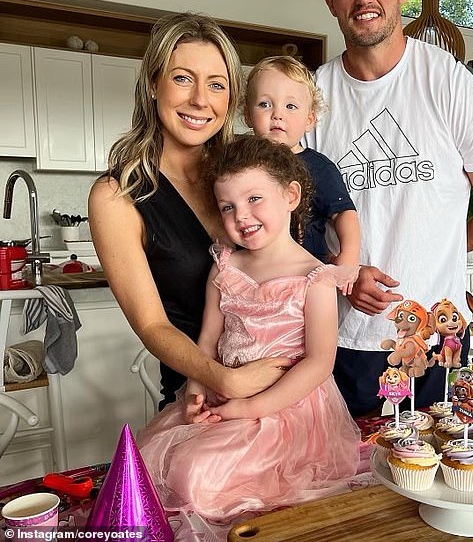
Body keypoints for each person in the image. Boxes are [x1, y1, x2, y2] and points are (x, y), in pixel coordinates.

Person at [305, 0, 473, 417]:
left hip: (437, 339)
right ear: (331, 0)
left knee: (434, 477)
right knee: (341, 486)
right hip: (334, 341)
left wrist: (440, 245)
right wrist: (341, 273)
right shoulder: (309, 100)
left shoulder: (451, 83)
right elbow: (283, 225)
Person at [137, 136, 360, 528]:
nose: (242, 216)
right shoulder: (224, 265)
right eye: (228, 206)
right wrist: (195, 391)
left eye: (254, 199)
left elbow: (320, 363)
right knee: (158, 464)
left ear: (290, 195)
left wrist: (252, 407)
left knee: (197, 477)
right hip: (222, 394)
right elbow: (207, 342)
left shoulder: (315, 277)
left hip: (286, 410)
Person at [88, 12, 291, 409]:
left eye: (216, 85)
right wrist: (226, 380)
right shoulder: (117, 196)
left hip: (288, 389)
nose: (200, 100)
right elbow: (152, 325)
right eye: (182, 78)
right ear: (152, 84)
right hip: (200, 402)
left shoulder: (246, 173)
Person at [243, 55, 360, 293]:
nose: (277, 114)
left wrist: (349, 257)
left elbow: (343, 214)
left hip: (305, 282)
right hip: (251, 279)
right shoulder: (241, 165)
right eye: (265, 104)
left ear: (310, 119)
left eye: (290, 106)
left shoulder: (317, 167)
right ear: (247, 115)